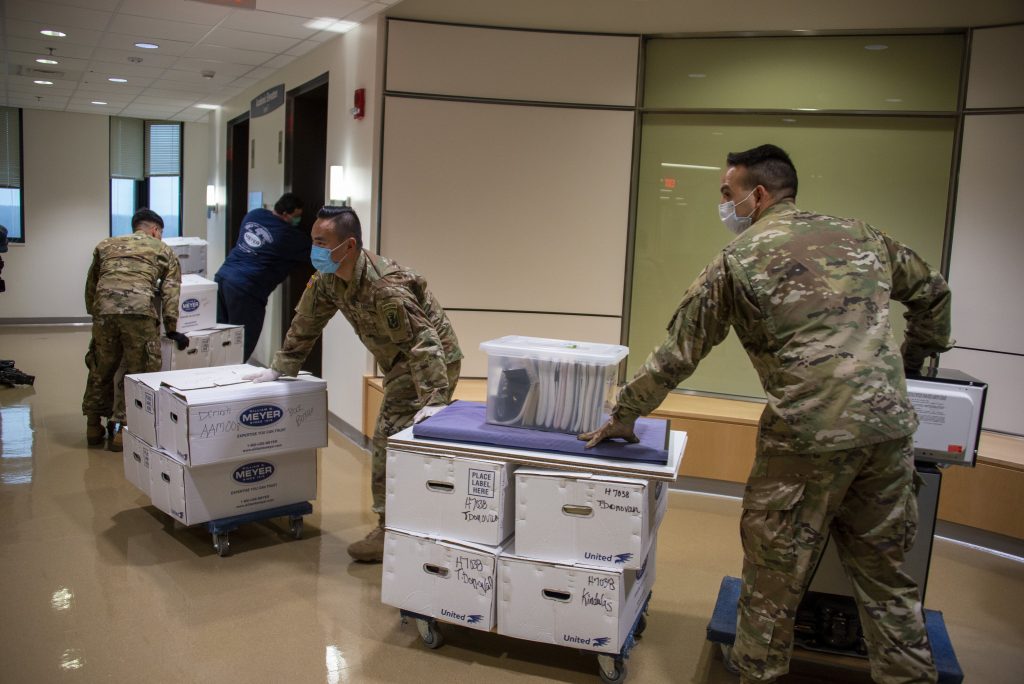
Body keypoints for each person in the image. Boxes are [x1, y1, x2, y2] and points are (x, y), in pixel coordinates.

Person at [581, 144, 951, 684]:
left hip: (806, 439)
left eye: (727, 195)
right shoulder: (863, 236)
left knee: (772, 587)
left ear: (757, 195)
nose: (724, 206)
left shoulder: (739, 259)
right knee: (888, 582)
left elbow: (678, 353)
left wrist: (626, 412)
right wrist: (912, 363)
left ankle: (758, 672)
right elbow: (934, 294)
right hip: (888, 433)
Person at [247, 206, 463, 562]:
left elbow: (424, 344)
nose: (314, 249)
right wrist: (279, 368)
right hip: (399, 363)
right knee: (401, 442)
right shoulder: (329, 277)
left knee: (387, 439)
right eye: (312, 240)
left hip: (428, 365)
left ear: (347, 245)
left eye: (321, 242)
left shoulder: (384, 286)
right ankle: (410, 523)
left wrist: (434, 400)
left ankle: (389, 529)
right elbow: (307, 320)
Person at [83, 209, 188, 451]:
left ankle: (93, 426)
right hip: (138, 312)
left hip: (104, 312)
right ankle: (122, 428)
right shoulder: (162, 249)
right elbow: (172, 289)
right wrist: (171, 328)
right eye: (160, 232)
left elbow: (92, 283)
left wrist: (96, 313)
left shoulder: (105, 244)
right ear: (155, 230)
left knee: (101, 366)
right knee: (139, 370)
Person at [214, 192, 309, 361]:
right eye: (297, 216)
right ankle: (230, 378)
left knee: (221, 336)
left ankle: (212, 376)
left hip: (223, 277)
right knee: (241, 342)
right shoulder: (288, 236)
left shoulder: (255, 214)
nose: (298, 221)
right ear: (286, 214)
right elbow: (313, 250)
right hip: (246, 290)